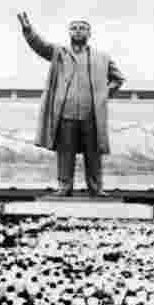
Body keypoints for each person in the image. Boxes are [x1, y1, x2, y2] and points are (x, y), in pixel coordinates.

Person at [17, 11, 125, 197]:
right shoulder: (60, 53)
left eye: (82, 28)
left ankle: (96, 188)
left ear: (89, 33)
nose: (78, 31)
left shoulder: (102, 58)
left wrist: (102, 95)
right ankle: (64, 187)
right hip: (66, 114)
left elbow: (118, 79)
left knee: (93, 154)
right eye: (74, 28)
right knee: (65, 153)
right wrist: (28, 30)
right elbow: (40, 46)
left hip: (91, 115)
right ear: (69, 32)